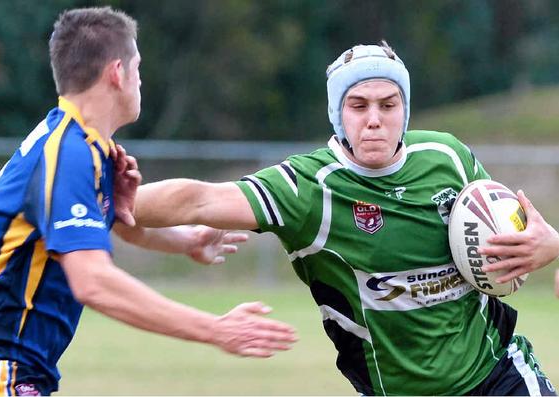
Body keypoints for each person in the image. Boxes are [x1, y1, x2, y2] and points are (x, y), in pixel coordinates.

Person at [130, 41, 559, 395]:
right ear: (338, 114)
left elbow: (507, 239)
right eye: (358, 105)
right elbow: (198, 201)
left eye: (388, 105)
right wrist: (102, 200)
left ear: (404, 110)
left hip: (498, 377)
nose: (374, 120)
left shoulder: (448, 158)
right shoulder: (306, 188)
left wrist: (549, 245)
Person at [0, 7, 296, 396]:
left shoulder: (88, 148)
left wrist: (187, 241)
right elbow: (93, 282)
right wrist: (215, 329)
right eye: (139, 68)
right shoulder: (66, 155)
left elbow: (120, 226)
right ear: (117, 73)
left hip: (11, 371)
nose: (141, 81)